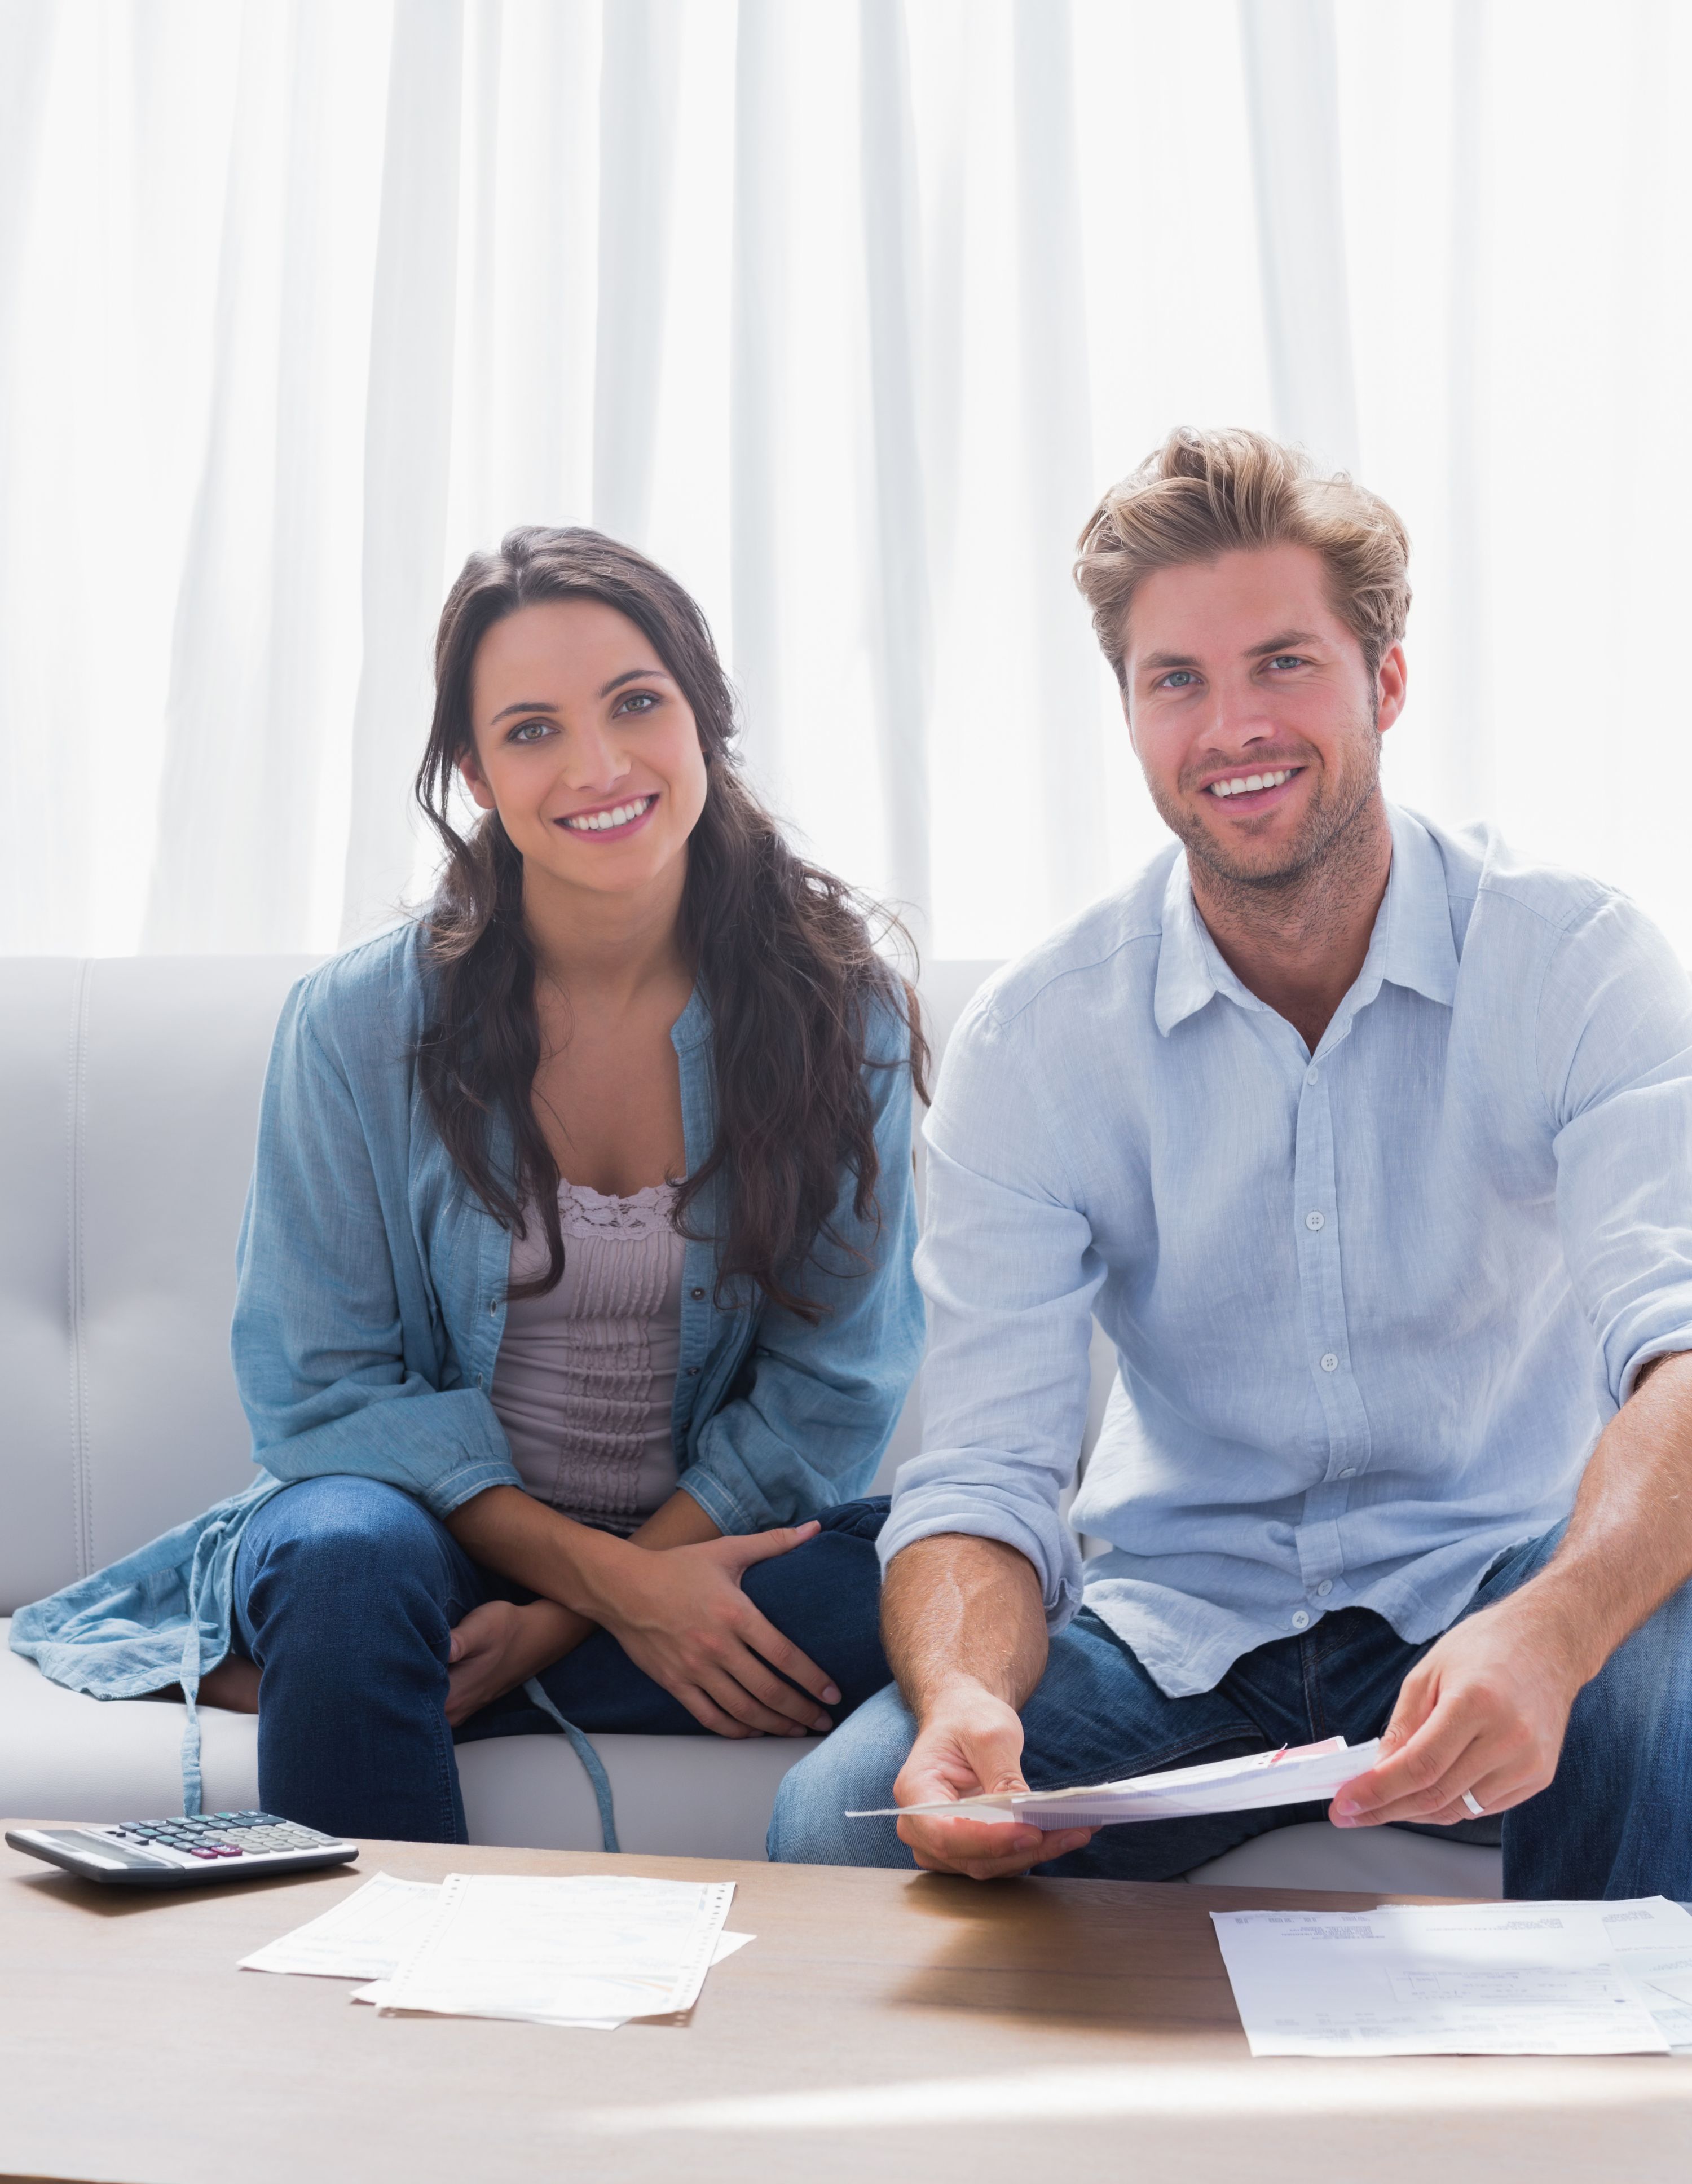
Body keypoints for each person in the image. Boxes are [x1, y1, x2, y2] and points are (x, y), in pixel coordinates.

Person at [768, 425, 1692, 1900]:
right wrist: (967, 1699)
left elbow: (1679, 1351)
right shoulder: (1038, 1043)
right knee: (837, 1819)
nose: (1232, 726)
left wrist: (1559, 1626)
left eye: (1284, 664)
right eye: (1176, 681)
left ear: (1388, 682)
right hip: (1179, 1629)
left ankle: (1599, 2058)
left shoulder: (1576, 962)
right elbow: (988, 1472)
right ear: (1131, 716)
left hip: (1504, 1587)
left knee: (1658, 1669)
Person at [13, 527, 926, 1844]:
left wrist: (565, 1616)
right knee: (344, 1564)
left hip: (695, 1543)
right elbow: (323, 1385)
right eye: (533, 729)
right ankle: (367, 1750)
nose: (598, 766)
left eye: (636, 702)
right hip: (415, 1537)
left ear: (704, 713)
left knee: (914, 1578)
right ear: (474, 773)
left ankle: (363, 1687)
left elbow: (832, 1391)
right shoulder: (355, 1023)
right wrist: (616, 1592)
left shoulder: (842, 1014)